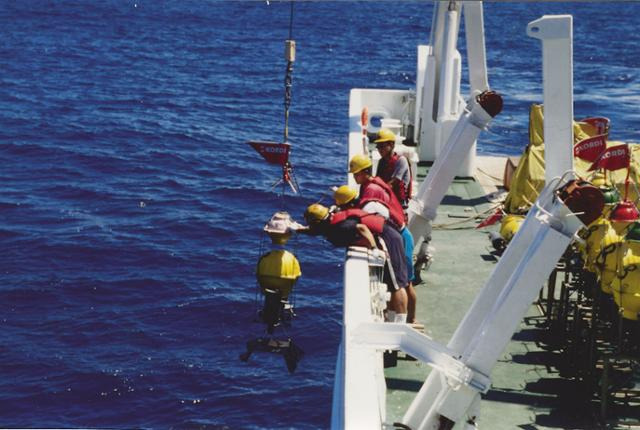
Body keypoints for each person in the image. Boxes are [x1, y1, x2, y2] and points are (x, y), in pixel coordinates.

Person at [302, 203, 408, 322]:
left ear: (318, 222)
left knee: (397, 284)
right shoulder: (331, 221)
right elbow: (317, 230)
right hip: (385, 234)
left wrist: (374, 249)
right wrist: (299, 230)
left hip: (388, 238)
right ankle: (392, 317)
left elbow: (361, 228)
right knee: (389, 282)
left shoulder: (342, 226)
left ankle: (401, 322)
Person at [334, 181, 418, 325]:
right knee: (394, 283)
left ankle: (406, 320)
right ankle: (393, 319)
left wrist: (373, 247)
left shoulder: (368, 207)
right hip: (394, 238)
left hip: (400, 239)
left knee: (402, 283)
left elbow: (378, 228)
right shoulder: (365, 206)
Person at [373, 129, 412, 209]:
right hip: (387, 198)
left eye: (382, 146)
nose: (380, 149)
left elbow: (393, 183)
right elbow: (378, 180)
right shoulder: (381, 162)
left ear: (392, 145)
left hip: (400, 203)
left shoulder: (401, 160)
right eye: (378, 147)